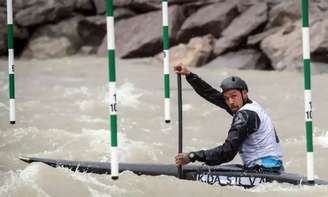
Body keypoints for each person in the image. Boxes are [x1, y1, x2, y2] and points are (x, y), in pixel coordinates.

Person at [174, 63, 284, 172]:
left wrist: (193, 156)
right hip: (273, 168)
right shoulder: (250, 105)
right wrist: (189, 75)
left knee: (210, 169)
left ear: (244, 93)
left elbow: (227, 152)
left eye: (233, 96)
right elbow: (211, 94)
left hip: (264, 170)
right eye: (226, 98)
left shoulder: (245, 116)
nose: (230, 102)